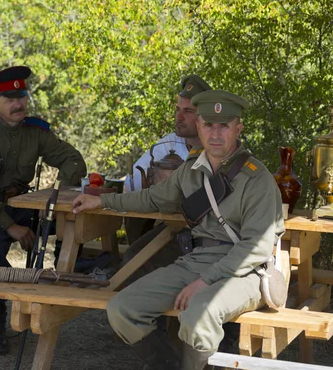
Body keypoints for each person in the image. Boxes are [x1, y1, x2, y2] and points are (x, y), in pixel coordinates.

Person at [72, 90, 285, 370]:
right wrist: (103, 201)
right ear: (199, 127)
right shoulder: (192, 170)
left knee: (198, 313)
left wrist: (205, 281)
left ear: (238, 129)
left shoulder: (257, 178)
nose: (216, 134)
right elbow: (152, 198)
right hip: (197, 261)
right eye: (209, 125)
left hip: (246, 271)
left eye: (224, 126)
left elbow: (255, 249)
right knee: (122, 308)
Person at [0, 65, 87, 354]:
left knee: (74, 218)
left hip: (21, 206)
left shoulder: (36, 131)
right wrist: (10, 226)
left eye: (22, 96)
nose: (19, 104)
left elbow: (72, 160)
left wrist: (55, 199)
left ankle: (70, 276)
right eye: (9, 98)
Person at [124, 74, 211, 246]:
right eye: (178, 109)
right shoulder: (168, 143)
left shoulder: (219, 146)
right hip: (170, 226)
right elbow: (133, 180)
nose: (179, 117)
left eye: (187, 111)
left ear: (203, 116)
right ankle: (135, 256)